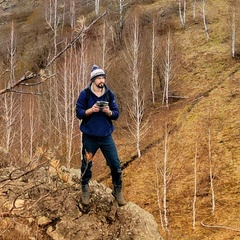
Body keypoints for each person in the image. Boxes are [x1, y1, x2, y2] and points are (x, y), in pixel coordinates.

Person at [76, 64, 126, 206]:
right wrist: (90, 110)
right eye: (99, 78)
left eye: (103, 77)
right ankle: (85, 188)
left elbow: (116, 114)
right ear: (93, 80)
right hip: (90, 136)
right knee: (86, 164)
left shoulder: (109, 94)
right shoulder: (85, 94)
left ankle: (117, 190)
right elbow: (78, 113)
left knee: (115, 164)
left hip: (106, 137)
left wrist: (108, 112)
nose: (101, 80)